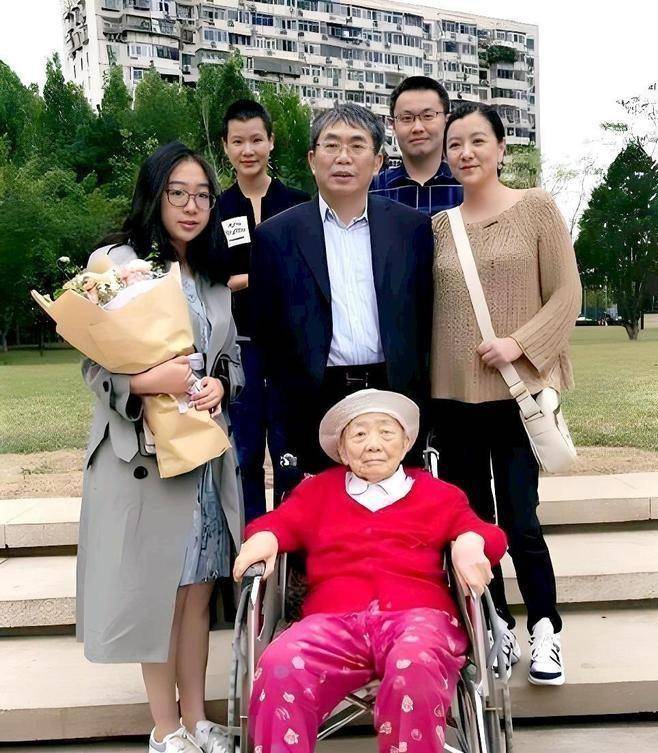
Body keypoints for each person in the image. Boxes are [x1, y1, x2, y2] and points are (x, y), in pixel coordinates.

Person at [76, 142, 244, 753]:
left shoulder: (212, 273)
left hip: (202, 455)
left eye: (203, 195)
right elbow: (94, 367)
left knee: (197, 593)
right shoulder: (118, 264)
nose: (192, 206)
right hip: (145, 458)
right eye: (178, 193)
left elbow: (232, 357)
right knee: (160, 593)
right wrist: (151, 381)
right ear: (155, 195)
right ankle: (165, 728)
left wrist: (222, 382)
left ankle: (197, 720)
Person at [233, 389, 508, 753]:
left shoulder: (438, 494)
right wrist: (264, 538)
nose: (373, 444)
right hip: (331, 620)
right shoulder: (317, 492)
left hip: (418, 618)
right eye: (359, 434)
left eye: (386, 432)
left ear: (406, 443)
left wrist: (470, 542)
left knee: (415, 664)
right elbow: (277, 524)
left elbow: (488, 534)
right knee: (280, 663)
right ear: (342, 449)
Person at [431, 103, 582, 686]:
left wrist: (519, 344)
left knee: (521, 517)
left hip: (518, 396)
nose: (466, 153)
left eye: (478, 141)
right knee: (474, 523)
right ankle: (495, 626)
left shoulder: (536, 207)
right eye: (456, 144)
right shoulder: (439, 228)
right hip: (454, 401)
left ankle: (546, 628)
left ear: (500, 148)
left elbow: (567, 295)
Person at [250, 103, 434, 478]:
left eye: (357, 145)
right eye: (331, 145)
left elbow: (426, 317)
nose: (343, 157)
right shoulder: (275, 236)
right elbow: (265, 332)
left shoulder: (411, 229)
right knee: (319, 508)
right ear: (312, 159)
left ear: (378, 161)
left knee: (395, 507)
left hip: (392, 395)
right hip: (312, 400)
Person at [218, 99, 310, 521]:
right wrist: (255, 278)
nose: (248, 150)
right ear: (226, 146)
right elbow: (211, 280)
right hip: (239, 350)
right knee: (245, 456)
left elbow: (309, 275)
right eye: (238, 141)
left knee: (292, 457)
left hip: (292, 351)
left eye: (256, 139)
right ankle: (251, 547)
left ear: (271, 141)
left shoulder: (299, 204)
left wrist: (243, 278)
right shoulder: (215, 209)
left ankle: (293, 551)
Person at [371, 76, 462, 214]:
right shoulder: (372, 190)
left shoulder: (469, 186)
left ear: (446, 121)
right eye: (406, 118)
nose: (417, 128)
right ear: (393, 125)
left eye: (428, 116)